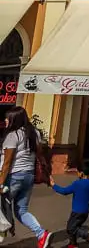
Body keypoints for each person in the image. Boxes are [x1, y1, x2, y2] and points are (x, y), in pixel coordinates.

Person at [0, 106, 51, 248]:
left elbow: (7, 163)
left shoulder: (13, 135)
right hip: (28, 175)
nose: (5, 120)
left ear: (14, 119)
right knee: (21, 210)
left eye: (7, 118)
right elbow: (39, 154)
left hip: (14, 176)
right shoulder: (34, 133)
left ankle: (4, 232)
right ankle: (41, 234)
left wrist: (0, 183)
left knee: (2, 208)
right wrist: (47, 174)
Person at [49, 161, 89, 248]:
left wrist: (53, 185)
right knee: (76, 226)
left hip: (77, 212)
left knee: (70, 228)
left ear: (82, 173)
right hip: (85, 212)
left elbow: (64, 191)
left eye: (78, 172)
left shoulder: (77, 184)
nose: (77, 174)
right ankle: (73, 244)